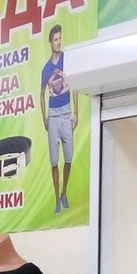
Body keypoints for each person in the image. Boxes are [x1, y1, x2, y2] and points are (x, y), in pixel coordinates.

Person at [40, 24, 78, 215]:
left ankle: (64, 193)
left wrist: (76, 111)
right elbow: (41, 94)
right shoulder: (46, 68)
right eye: (55, 39)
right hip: (53, 116)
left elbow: (74, 83)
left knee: (68, 158)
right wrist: (44, 118)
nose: (58, 42)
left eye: (59, 39)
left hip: (66, 113)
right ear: (50, 42)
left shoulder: (66, 60)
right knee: (54, 161)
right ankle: (57, 199)